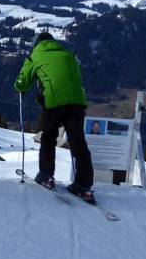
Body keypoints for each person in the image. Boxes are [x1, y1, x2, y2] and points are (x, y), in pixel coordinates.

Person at [14, 31, 95, 202]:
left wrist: (20, 87)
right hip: (77, 102)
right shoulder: (68, 54)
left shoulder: (35, 56)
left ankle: (46, 175)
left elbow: (22, 82)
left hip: (54, 102)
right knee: (78, 143)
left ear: (36, 44)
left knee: (48, 137)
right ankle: (84, 186)